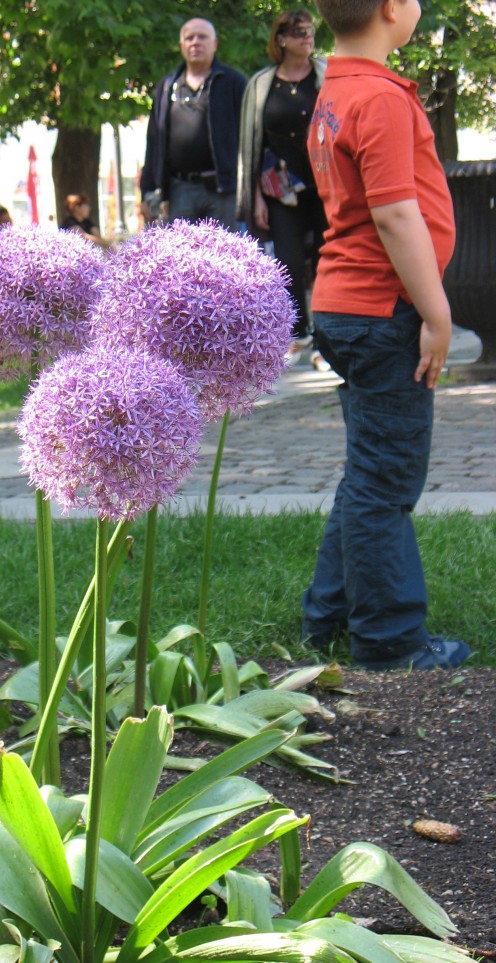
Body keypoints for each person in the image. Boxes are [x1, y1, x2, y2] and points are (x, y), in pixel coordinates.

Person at [300, 0, 470, 671]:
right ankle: (391, 641)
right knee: (388, 482)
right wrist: (436, 315)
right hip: (383, 311)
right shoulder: (381, 97)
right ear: (395, 9)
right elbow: (397, 215)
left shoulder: (336, 90)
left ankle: (328, 615)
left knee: (368, 471)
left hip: (344, 304)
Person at [239, 9, 329, 367]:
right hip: (280, 188)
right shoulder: (262, 84)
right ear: (281, 39)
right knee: (288, 261)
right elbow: (251, 143)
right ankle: (298, 332)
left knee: (325, 258)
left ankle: (325, 338)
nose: (307, 38)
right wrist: (255, 197)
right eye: (298, 32)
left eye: (310, 32)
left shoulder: (326, 75)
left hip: (324, 184)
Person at [140, 17, 246, 229]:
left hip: (223, 189)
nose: (195, 42)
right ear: (181, 46)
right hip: (180, 190)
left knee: (225, 256)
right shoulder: (166, 87)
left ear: (215, 44)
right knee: (181, 257)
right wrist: (147, 190)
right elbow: (154, 141)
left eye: (202, 37)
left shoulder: (234, 83)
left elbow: (251, 137)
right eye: (189, 38)